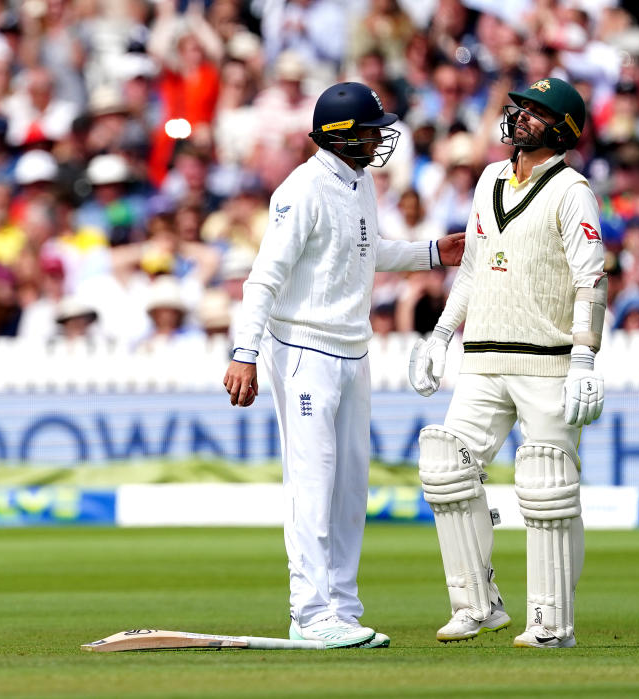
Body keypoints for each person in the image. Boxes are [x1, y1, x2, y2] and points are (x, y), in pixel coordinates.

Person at [222, 82, 464, 650]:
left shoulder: (359, 181)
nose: (381, 137)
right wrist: (244, 352)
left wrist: (433, 252)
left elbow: (366, 249)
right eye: (372, 128)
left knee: (350, 486)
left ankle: (342, 607)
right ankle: (309, 612)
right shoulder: (301, 189)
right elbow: (265, 277)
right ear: (342, 135)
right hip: (305, 350)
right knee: (313, 482)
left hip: (354, 350)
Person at [408, 77, 605, 649]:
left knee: (548, 486)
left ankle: (552, 622)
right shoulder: (490, 178)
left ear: (563, 129)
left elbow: (591, 278)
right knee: (446, 465)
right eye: (521, 107)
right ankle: (476, 603)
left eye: (537, 114)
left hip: (547, 361)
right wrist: (441, 335)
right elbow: (471, 267)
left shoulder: (572, 190)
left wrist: (584, 359)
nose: (521, 118)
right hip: (482, 358)